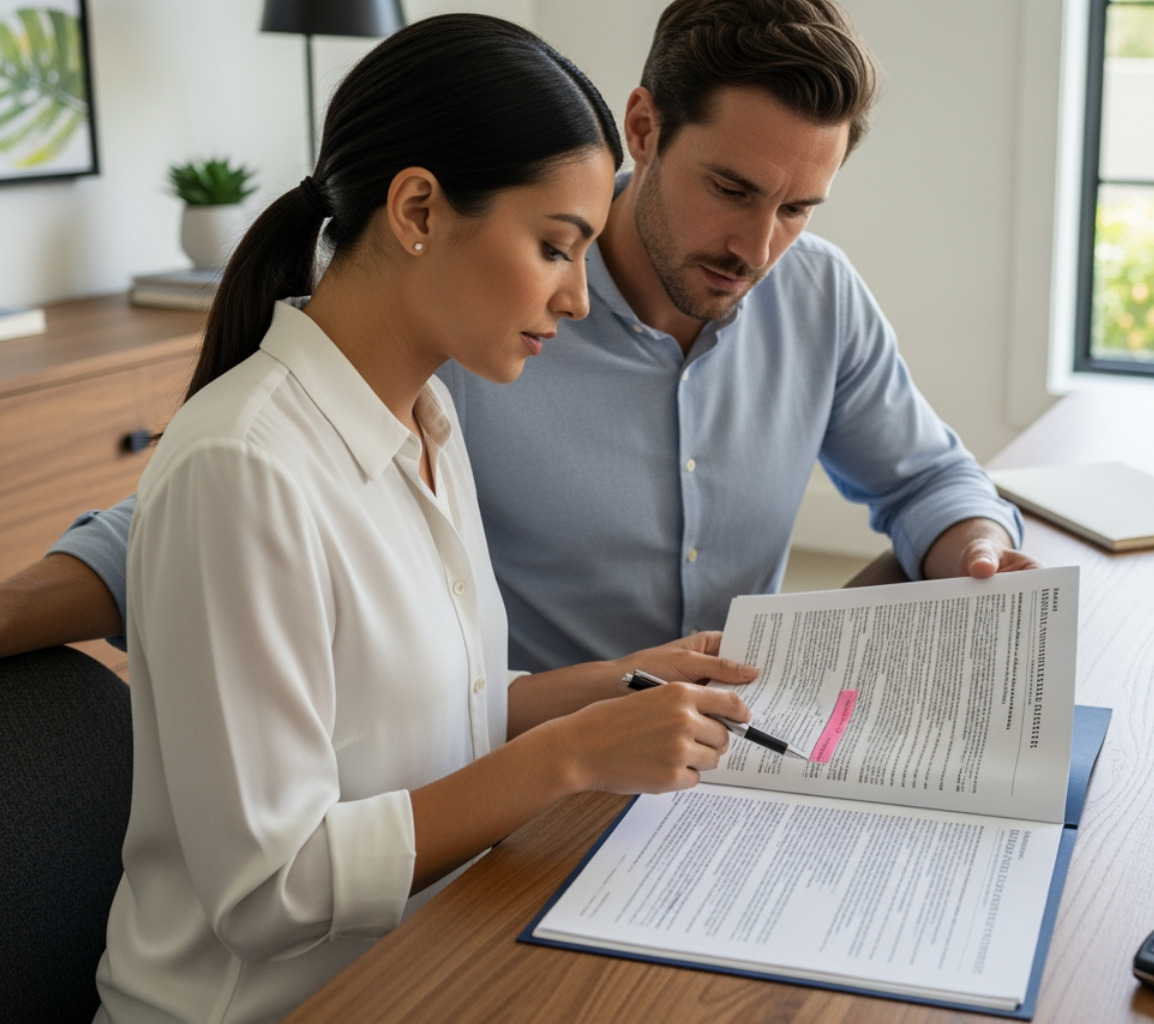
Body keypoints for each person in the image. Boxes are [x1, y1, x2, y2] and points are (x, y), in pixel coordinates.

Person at [0, 0, 1034, 672]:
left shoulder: (818, 296)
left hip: (708, 775)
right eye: (732, 190)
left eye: (801, 207)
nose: (759, 246)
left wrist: (981, 553)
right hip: (512, 793)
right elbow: (205, 513)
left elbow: (927, 481)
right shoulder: (474, 302)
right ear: (643, 127)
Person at [92, 17, 756, 1024]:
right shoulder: (242, 467)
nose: (578, 299)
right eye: (553, 247)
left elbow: (434, 712)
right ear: (416, 208)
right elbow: (270, 891)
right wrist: (570, 756)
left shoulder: (429, 420)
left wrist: (625, 685)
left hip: (430, 964)